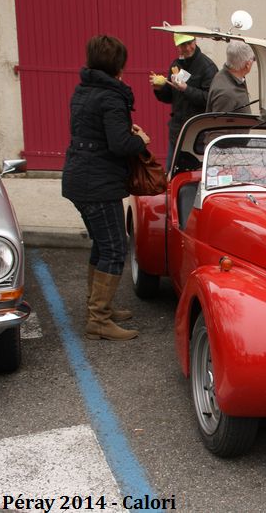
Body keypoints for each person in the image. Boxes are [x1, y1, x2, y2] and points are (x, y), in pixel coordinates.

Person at [62, 35, 150, 342]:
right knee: (115, 247)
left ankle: (98, 307)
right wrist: (141, 140)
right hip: (97, 182)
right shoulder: (111, 97)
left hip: (82, 177)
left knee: (103, 243)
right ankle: (98, 319)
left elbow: (96, 132)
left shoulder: (83, 90)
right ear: (118, 65)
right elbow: (119, 144)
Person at [150, 33, 218, 170]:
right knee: (171, 173)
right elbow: (170, 97)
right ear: (177, 47)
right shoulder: (176, 65)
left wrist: (186, 88)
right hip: (177, 132)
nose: (187, 48)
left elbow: (209, 99)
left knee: (197, 175)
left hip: (198, 133)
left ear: (195, 41)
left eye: (189, 43)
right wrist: (159, 89)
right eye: (182, 45)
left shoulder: (207, 67)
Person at [207, 41, 255, 113]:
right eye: (253, 59)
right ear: (247, 64)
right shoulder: (227, 94)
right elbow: (219, 123)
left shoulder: (223, 75)